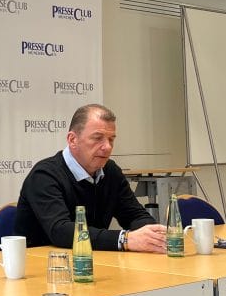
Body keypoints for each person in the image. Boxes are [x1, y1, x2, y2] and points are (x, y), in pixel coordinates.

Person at [14, 103, 166, 253]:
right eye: (98, 138)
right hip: (43, 262)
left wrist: (152, 235)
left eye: (111, 139)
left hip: (94, 259)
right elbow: (61, 231)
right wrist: (125, 239)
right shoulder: (44, 175)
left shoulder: (110, 171)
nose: (107, 147)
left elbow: (135, 215)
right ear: (72, 140)